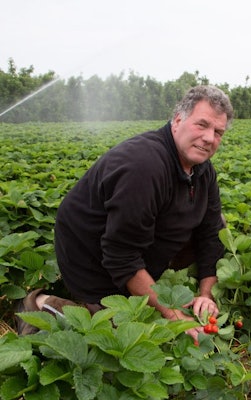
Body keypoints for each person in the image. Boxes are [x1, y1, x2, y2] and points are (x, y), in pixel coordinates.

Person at [17, 85, 234, 341]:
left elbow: (210, 233)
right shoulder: (144, 166)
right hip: (91, 258)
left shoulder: (203, 170)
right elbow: (121, 256)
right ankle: (40, 304)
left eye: (218, 132)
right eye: (202, 125)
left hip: (135, 243)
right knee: (119, 335)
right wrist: (173, 315)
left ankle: (144, 283)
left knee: (218, 224)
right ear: (177, 120)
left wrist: (206, 295)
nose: (209, 138)